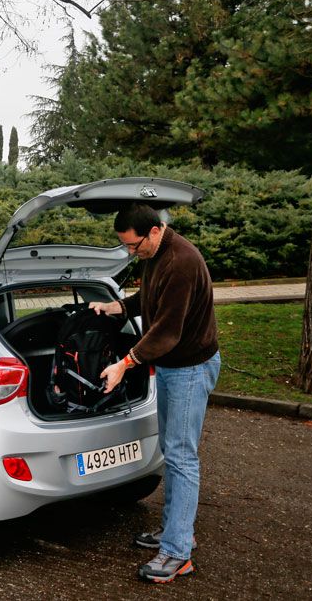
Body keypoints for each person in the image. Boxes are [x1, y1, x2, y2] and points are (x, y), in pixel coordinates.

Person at [88, 202, 220, 584]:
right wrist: (116, 307)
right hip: (173, 367)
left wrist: (124, 363)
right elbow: (149, 298)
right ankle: (175, 532)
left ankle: (178, 554)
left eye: (134, 245)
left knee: (181, 456)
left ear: (155, 231)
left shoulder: (181, 262)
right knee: (172, 450)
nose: (131, 252)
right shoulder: (157, 254)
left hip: (190, 369)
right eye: (127, 247)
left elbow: (166, 330)